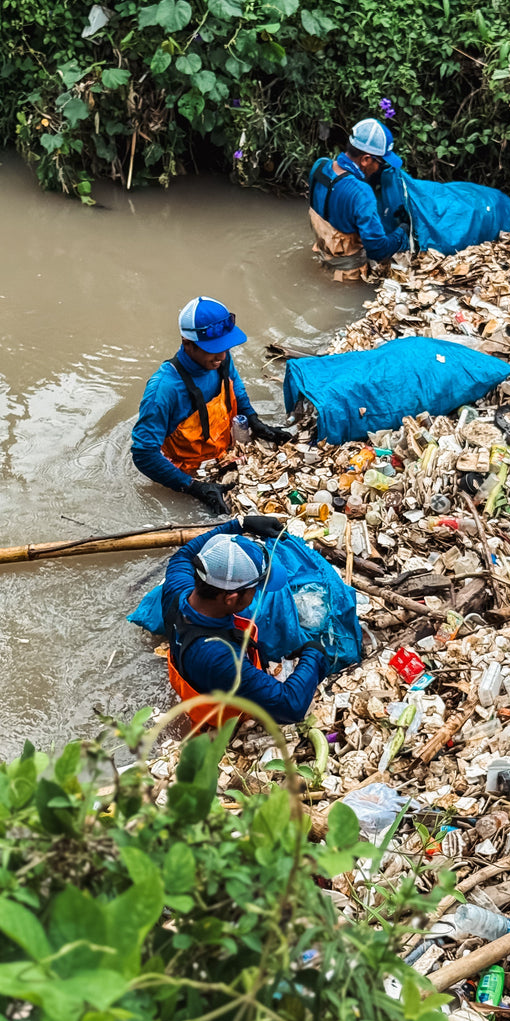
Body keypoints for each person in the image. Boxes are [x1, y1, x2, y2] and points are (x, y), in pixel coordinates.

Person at [132, 296, 292, 514]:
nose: (222, 356)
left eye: (225, 346)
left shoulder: (220, 359)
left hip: (226, 453)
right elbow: (143, 454)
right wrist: (195, 488)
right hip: (189, 473)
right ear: (187, 343)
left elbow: (236, 387)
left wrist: (254, 421)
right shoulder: (163, 390)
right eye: (213, 349)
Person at [162, 519, 328, 727]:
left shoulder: (176, 588)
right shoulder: (220, 656)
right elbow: (290, 706)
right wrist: (314, 654)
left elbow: (183, 555)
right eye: (254, 589)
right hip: (219, 718)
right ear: (230, 598)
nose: (257, 593)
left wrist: (241, 523)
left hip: (196, 668)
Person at [308, 118, 410, 281]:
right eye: (381, 162)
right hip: (348, 277)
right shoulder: (361, 193)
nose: (381, 168)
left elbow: (336, 197)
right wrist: (402, 232)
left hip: (321, 259)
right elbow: (378, 250)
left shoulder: (319, 166)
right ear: (366, 159)